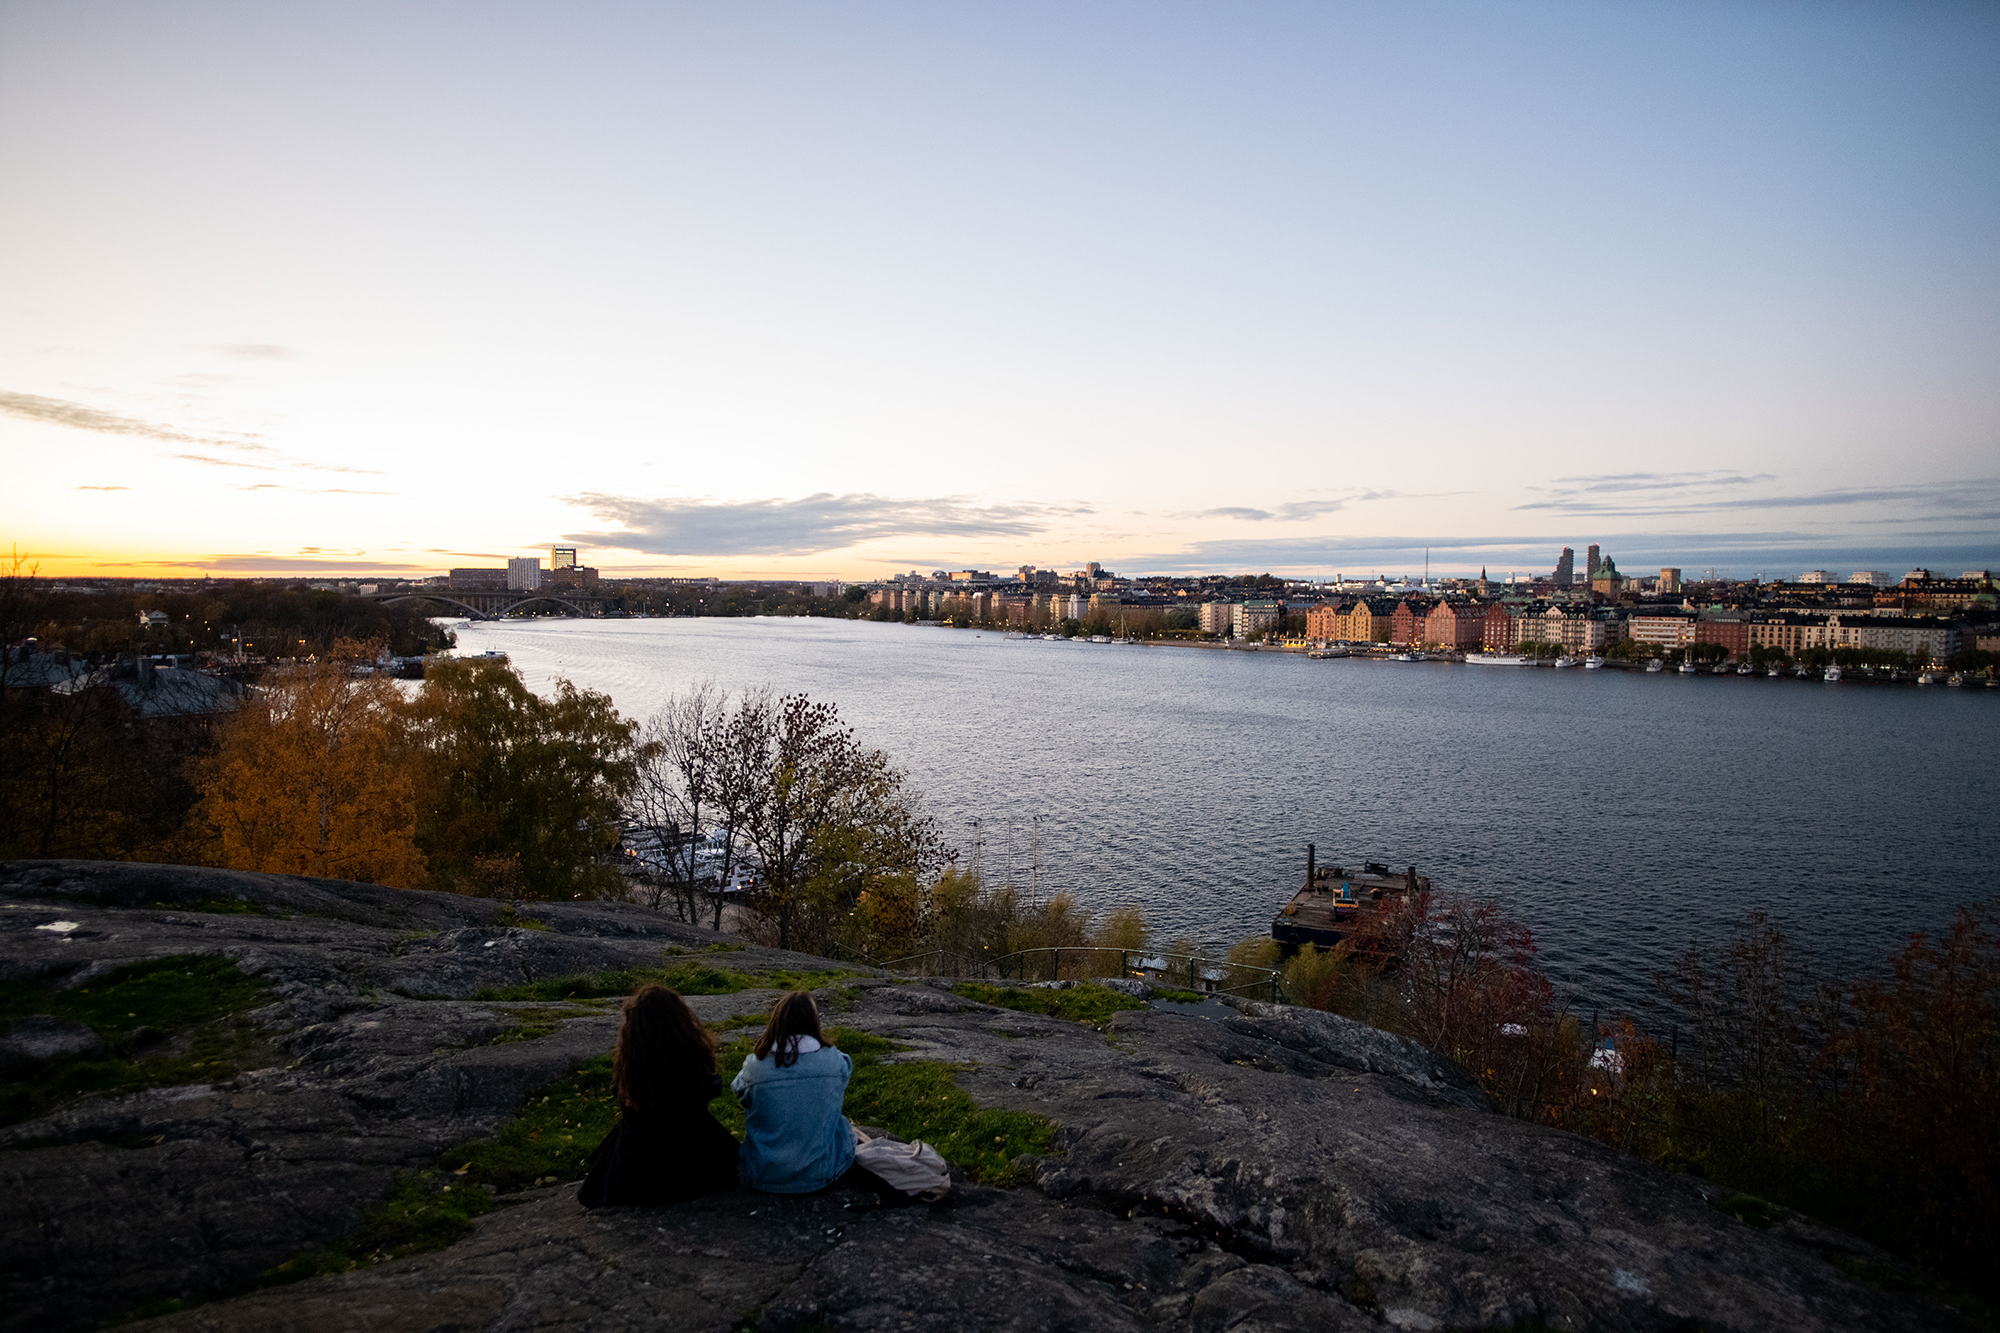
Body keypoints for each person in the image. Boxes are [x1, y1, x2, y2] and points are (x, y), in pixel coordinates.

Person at [577, 984, 739, 1207]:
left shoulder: (630, 1065)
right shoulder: (691, 1058)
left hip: (637, 1162)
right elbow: (710, 1088)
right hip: (688, 1159)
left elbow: (619, 1092)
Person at [732, 991, 857, 1193]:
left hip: (763, 1173)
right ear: (814, 1021)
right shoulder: (835, 1062)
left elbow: (740, 1091)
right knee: (842, 1125)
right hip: (820, 1173)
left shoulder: (755, 1067)